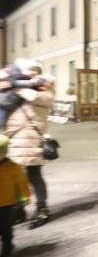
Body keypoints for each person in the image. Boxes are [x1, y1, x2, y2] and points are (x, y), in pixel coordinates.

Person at [4, 60, 54, 230]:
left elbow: (36, 97)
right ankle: (19, 209)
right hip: (16, 141)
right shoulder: (21, 91)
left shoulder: (43, 93)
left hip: (31, 140)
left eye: (34, 72)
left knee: (35, 177)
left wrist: (18, 84)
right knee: (18, 179)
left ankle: (42, 210)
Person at [0, 134, 30, 257]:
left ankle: (8, 245)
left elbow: (22, 183)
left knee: (5, 226)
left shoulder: (12, 167)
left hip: (7, 203)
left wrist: (24, 197)